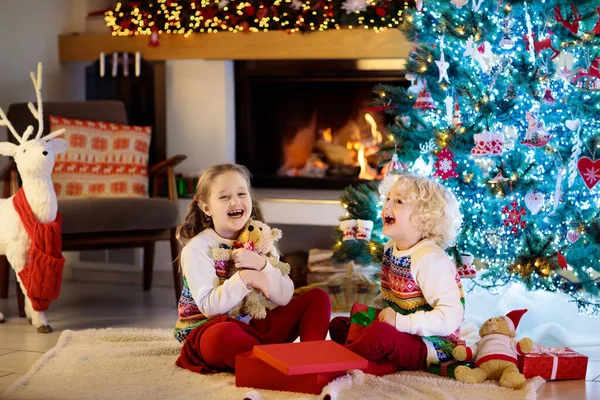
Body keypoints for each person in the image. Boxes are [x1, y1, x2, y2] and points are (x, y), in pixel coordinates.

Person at [174, 163, 331, 373]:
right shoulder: (197, 248)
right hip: (210, 330)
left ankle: (309, 360)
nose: (235, 201)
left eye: (241, 193)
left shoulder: (259, 238)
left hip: (252, 327)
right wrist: (246, 277)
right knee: (221, 336)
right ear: (206, 207)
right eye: (224, 197)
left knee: (318, 298)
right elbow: (209, 307)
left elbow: (284, 297)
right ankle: (267, 365)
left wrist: (262, 265)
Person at [330, 174, 464, 370]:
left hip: (430, 344)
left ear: (424, 217)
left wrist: (400, 322)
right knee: (340, 324)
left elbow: (450, 317)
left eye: (399, 201)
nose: (386, 206)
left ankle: (355, 360)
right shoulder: (391, 248)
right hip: (398, 327)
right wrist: (371, 316)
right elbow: (388, 296)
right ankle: (369, 354)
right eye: (388, 199)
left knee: (380, 335)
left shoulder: (430, 259)